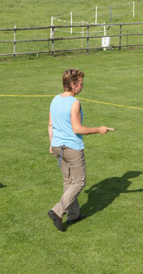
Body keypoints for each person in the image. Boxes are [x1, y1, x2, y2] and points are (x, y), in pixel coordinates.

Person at [47, 69, 114, 232]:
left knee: (69, 182)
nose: (82, 87)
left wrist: (51, 143)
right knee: (79, 182)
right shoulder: (74, 103)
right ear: (72, 84)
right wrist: (98, 129)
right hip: (71, 148)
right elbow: (77, 129)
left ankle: (73, 215)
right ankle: (57, 210)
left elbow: (50, 125)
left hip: (57, 147)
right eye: (80, 84)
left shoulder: (55, 99)